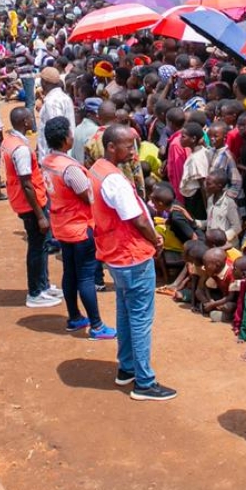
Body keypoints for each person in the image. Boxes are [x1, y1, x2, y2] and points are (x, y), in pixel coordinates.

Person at [86, 124, 175, 401]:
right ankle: (144, 382)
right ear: (112, 147)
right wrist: (156, 240)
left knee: (125, 311)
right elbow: (136, 218)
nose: (133, 152)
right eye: (128, 146)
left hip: (115, 253)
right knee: (139, 318)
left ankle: (126, 368)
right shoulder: (113, 179)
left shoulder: (97, 169)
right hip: (131, 254)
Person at [40, 117, 117, 339]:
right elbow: (88, 196)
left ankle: (74, 317)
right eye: (71, 134)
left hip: (62, 225)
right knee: (85, 276)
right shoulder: (70, 168)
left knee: (70, 272)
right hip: (80, 227)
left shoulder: (47, 161)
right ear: (65, 139)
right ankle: (96, 326)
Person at [1, 107, 62, 308]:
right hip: (31, 203)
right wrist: (40, 215)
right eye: (30, 118)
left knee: (42, 245)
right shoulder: (20, 150)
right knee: (37, 247)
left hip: (24, 200)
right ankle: (35, 292)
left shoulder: (10, 141)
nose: (33, 121)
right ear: (25, 122)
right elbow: (26, 183)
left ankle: (43, 285)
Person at [37, 66, 74, 160]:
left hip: (55, 158)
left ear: (44, 82)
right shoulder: (64, 97)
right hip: (63, 154)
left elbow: (57, 133)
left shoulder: (52, 102)